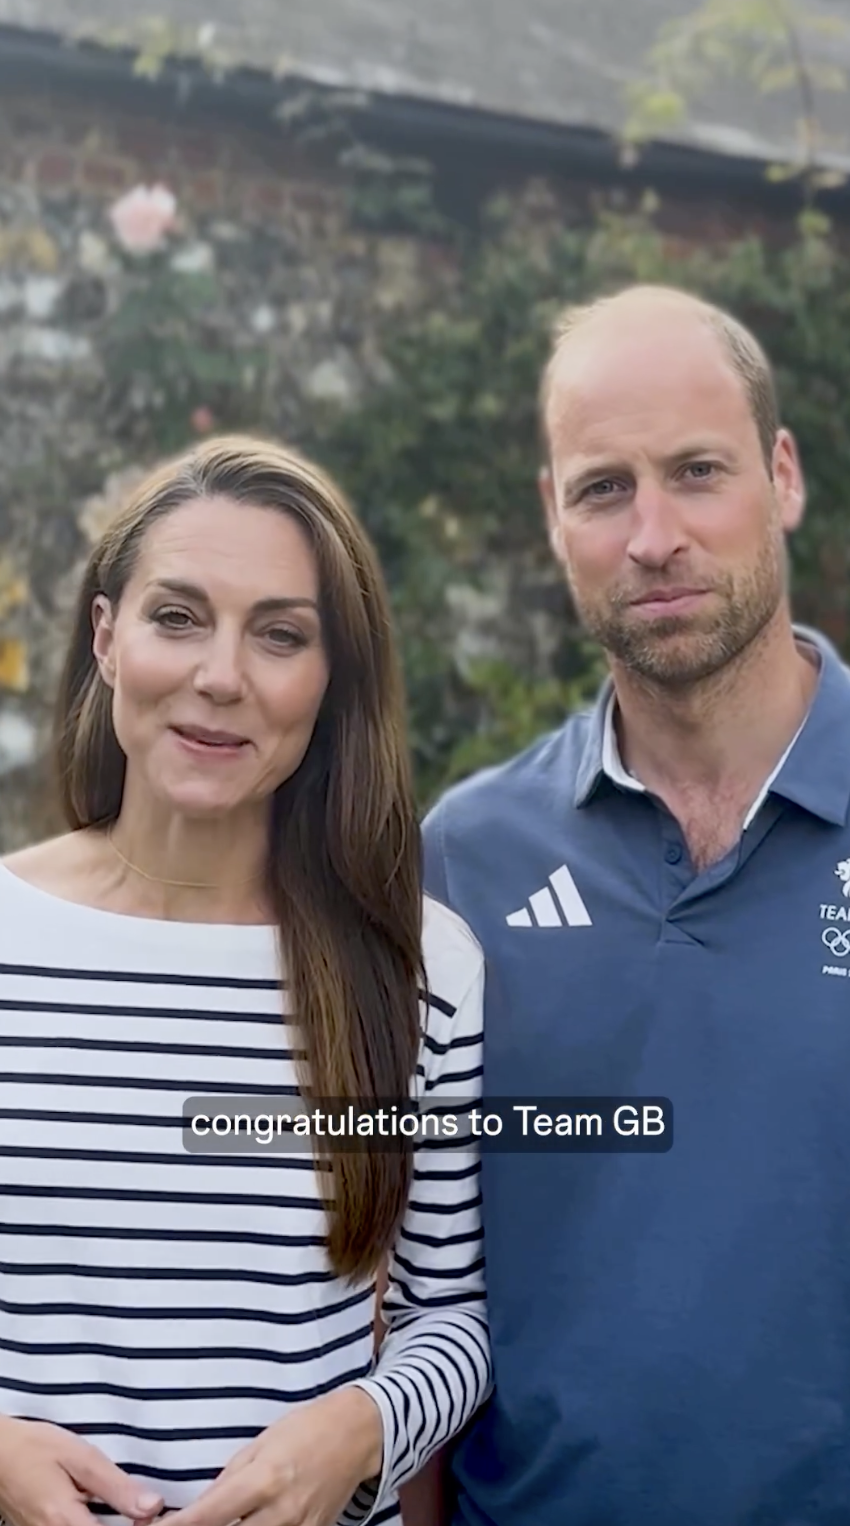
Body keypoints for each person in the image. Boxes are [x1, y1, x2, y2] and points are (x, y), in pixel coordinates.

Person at [0, 435, 490, 1526]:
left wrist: (357, 1426)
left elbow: (451, 1313)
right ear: (106, 636)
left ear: (330, 679)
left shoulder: (420, 964)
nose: (221, 674)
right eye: (177, 616)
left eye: (280, 634)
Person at [422, 283, 850, 1525]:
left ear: (781, 476)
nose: (652, 533)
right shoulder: (465, 858)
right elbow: (411, 1281)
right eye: (604, 487)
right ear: (552, 516)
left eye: (696, 471)